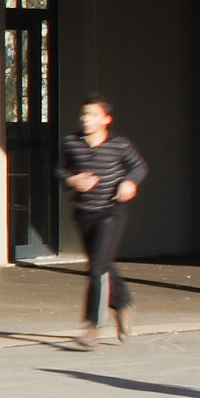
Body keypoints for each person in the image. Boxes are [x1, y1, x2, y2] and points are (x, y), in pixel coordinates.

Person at [58, 96, 145, 343]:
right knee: (101, 264)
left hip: (111, 211)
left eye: (93, 115)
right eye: (85, 114)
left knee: (97, 267)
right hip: (84, 212)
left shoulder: (119, 144)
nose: (87, 119)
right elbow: (59, 169)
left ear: (106, 119)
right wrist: (72, 180)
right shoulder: (72, 143)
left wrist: (130, 182)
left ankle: (91, 324)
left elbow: (139, 166)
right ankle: (124, 302)